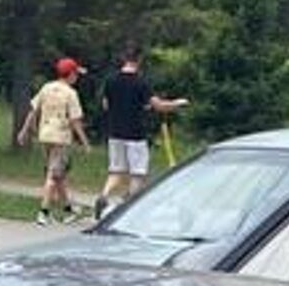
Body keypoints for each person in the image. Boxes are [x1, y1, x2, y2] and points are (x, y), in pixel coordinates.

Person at [97, 47, 189, 215]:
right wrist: (177, 103)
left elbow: (106, 104)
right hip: (136, 134)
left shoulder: (111, 80)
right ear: (138, 60)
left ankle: (104, 196)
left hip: (115, 132)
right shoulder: (141, 83)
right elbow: (159, 106)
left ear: (124, 59)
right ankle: (128, 206)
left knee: (116, 171)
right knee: (137, 173)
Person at [15, 56, 89, 226]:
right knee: (52, 176)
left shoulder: (46, 88)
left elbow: (33, 111)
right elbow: (75, 120)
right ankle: (43, 212)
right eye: (76, 74)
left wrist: (23, 131)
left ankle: (68, 209)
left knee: (58, 174)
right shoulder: (71, 93)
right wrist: (84, 142)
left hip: (45, 134)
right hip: (60, 138)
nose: (77, 77)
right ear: (70, 75)